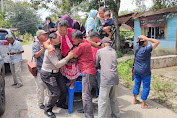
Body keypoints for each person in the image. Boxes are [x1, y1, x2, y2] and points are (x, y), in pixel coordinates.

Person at [40, 33, 73, 118]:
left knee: (64, 89)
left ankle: (60, 103)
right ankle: (47, 109)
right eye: (55, 42)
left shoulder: (57, 48)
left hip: (57, 73)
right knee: (56, 92)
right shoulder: (50, 51)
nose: (58, 42)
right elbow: (57, 64)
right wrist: (68, 57)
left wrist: (69, 61)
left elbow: (60, 60)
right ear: (50, 41)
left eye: (59, 40)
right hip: (48, 74)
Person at [70, 30, 98, 118]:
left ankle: (89, 116)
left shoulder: (82, 45)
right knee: (87, 93)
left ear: (78, 39)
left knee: (85, 95)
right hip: (90, 70)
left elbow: (73, 55)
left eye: (74, 40)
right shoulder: (85, 41)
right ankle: (87, 110)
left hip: (87, 71)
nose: (73, 42)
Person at [95, 37, 121, 118]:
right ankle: (117, 116)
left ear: (103, 44)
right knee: (114, 99)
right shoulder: (114, 51)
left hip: (106, 79)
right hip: (115, 78)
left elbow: (96, 64)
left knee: (102, 101)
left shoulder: (99, 51)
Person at [133, 35, 160, 109]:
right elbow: (157, 42)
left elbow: (139, 36)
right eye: (146, 41)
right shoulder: (146, 49)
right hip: (145, 72)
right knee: (146, 87)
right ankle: (143, 104)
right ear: (144, 42)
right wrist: (147, 38)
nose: (148, 42)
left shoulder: (136, 47)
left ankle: (135, 100)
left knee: (136, 84)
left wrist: (143, 38)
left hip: (136, 70)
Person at [32, 30, 49, 109]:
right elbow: (35, 55)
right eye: (44, 35)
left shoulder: (49, 43)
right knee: (40, 87)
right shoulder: (35, 45)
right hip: (39, 69)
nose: (46, 36)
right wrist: (43, 48)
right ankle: (40, 103)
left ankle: (48, 102)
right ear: (39, 37)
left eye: (46, 34)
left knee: (48, 87)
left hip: (48, 69)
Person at [89, 31, 101, 97]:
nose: (91, 40)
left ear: (95, 38)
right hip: (94, 67)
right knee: (96, 82)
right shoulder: (94, 44)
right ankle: (97, 95)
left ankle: (99, 96)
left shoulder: (100, 44)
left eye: (91, 39)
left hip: (99, 67)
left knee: (99, 83)